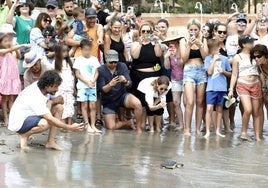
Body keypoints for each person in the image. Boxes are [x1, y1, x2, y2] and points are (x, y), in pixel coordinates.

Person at [8, 70, 84, 150]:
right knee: (45, 123)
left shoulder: (46, 89)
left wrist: (51, 102)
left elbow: (61, 100)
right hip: (19, 121)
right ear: (47, 86)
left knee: (59, 108)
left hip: (32, 116)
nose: (57, 89)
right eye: (55, 86)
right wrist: (69, 127)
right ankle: (24, 135)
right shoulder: (35, 93)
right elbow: (50, 118)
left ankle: (51, 142)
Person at [97, 50, 143, 132]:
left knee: (137, 104)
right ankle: (127, 123)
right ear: (106, 60)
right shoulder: (101, 70)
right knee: (110, 127)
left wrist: (125, 81)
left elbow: (130, 84)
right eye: (111, 62)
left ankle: (138, 128)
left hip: (122, 96)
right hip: (108, 101)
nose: (114, 64)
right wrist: (110, 85)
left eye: (115, 62)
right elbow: (102, 90)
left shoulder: (122, 66)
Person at [228, 35, 262, 141]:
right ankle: (243, 132)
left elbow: (261, 71)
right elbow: (234, 74)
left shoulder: (256, 55)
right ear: (243, 44)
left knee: (256, 112)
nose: (252, 44)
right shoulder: (237, 57)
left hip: (256, 83)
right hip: (242, 83)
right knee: (248, 109)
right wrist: (230, 89)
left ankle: (257, 137)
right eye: (250, 42)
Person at [130, 22, 162, 129]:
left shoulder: (155, 43)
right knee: (142, 102)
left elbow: (158, 54)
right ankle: (142, 124)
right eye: (143, 31)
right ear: (140, 32)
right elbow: (134, 55)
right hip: (139, 76)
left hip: (154, 75)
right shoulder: (135, 43)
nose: (145, 33)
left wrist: (156, 41)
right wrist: (140, 43)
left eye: (148, 31)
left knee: (153, 100)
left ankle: (153, 126)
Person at [179, 18, 208, 136]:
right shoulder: (183, 40)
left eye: (196, 29)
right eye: (191, 29)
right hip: (189, 71)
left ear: (199, 30)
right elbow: (184, 59)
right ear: (188, 30)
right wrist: (189, 46)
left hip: (201, 70)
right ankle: (187, 129)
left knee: (200, 102)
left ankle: (197, 129)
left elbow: (205, 57)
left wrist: (200, 46)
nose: (193, 32)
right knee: (190, 102)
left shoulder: (203, 39)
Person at [0, 24, 30, 126]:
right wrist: (22, 45)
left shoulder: (11, 50)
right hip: (5, 78)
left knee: (12, 98)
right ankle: (6, 117)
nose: (8, 43)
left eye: (9, 40)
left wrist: (15, 47)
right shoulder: (2, 51)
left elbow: (18, 55)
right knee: (5, 99)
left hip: (13, 77)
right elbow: (8, 50)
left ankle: (12, 117)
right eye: (5, 41)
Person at [204, 39, 232, 138]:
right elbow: (209, 72)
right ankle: (207, 131)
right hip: (211, 88)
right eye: (211, 50)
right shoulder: (208, 59)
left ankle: (217, 130)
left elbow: (230, 73)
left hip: (222, 88)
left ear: (219, 47)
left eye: (215, 49)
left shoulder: (225, 59)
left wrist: (223, 71)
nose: (214, 51)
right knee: (209, 108)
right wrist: (214, 60)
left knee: (220, 109)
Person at [73, 39, 102, 133]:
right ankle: (86, 124)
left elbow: (97, 72)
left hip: (92, 85)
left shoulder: (94, 59)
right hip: (82, 86)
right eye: (85, 50)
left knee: (93, 106)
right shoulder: (78, 60)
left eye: (89, 49)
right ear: (81, 49)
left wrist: (93, 80)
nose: (87, 52)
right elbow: (77, 74)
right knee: (84, 106)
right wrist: (87, 82)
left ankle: (93, 125)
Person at [6, 0, 35, 84]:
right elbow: (8, 21)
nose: (24, 7)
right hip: (18, 53)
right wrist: (14, 6)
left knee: (29, 78)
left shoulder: (34, 21)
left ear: (30, 7)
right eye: (21, 5)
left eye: (26, 5)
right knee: (18, 78)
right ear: (19, 8)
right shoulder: (17, 19)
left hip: (30, 53)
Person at [163, 34, 184, 130]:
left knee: (187, 102)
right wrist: (167, 57)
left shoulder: (183, 50)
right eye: (170, 42)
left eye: (175, 41)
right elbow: (167, 67)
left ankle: (186, 124)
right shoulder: (168, 52)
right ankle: (181, 124)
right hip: (175, 78)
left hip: (185, 78)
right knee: (176, 102)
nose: (172, 44)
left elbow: (181, 65)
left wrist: (177, 56)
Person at [54, 42, 75, 125]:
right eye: (63, 51)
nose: (66, 53)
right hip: (60, 88)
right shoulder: (55, 64)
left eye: (67, 51)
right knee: (62, 105)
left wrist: (73, 87)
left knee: (70, 104)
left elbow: (72, 76)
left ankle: (69, 123)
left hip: (69, 88)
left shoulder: (69, 62)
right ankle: (62, 123)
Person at [250, 44, 268, 138]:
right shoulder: (259, 66)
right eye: (254, 57)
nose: (256, 59)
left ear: (265, 55)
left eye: (259, 56)